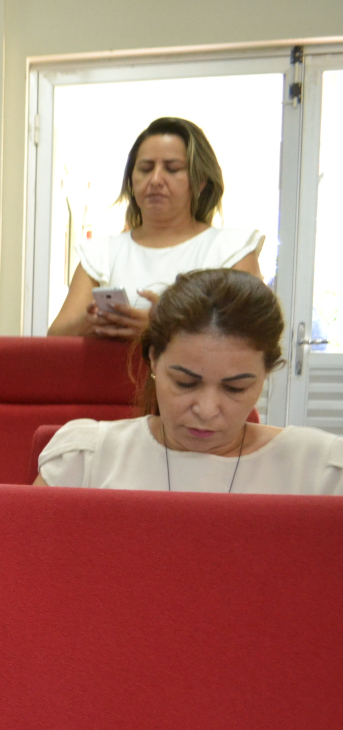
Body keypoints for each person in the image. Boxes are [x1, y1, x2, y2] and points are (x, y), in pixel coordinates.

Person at [37, 268, 343, 493]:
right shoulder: (87, 458)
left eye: (235, 388)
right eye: (185, 383)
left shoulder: (322, 471)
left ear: (266, 373)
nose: (206, 410)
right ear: (153, 359)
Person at [48, 117, 264, 340]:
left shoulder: (232, 251)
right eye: (145, 169)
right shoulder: (100, 254)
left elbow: (252, 340)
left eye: (172, 169)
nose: (156, 180)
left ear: (200, 181)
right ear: (131, 181)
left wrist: (161, 331)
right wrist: (89, 324)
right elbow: (55, 338)